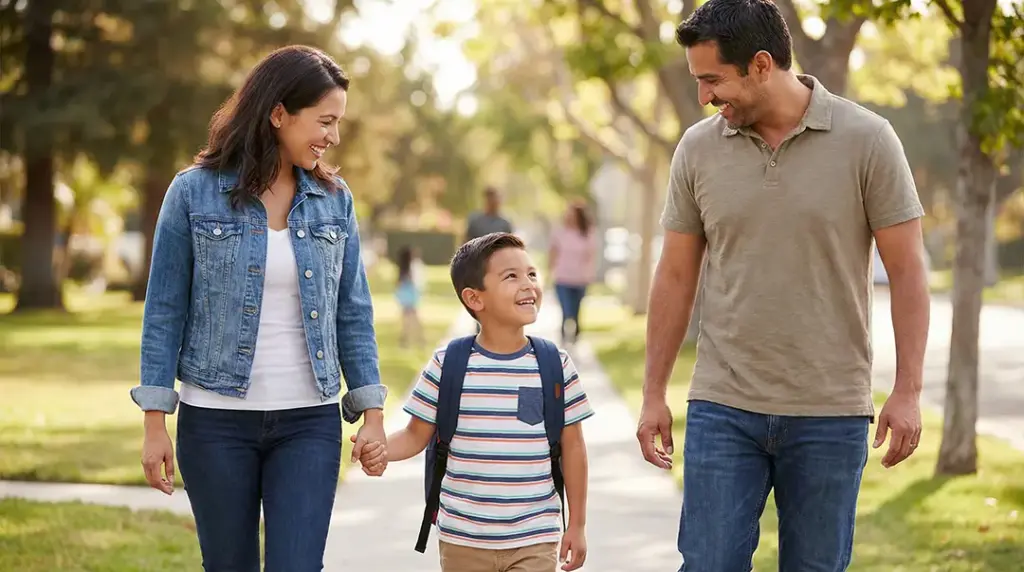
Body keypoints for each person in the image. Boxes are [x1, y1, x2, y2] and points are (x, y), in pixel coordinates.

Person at [635, 1, 930, 571]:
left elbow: (909, 270)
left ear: (762, 65)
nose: (704, 97)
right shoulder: (697, 149)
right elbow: (674, 275)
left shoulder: (868, 140)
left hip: (830, 410)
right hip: (724, 405)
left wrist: (909, 389)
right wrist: (653, 392)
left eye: (712, 80)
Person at [132, 45, 388, 572]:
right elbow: (163, 311)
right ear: (278, 114)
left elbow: (353, 312)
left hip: (308, 422)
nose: (333, 137)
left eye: (337, 122)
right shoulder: (192, 193)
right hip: (215, 423)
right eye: (325, 120)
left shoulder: (334, 201)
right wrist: (155, 423)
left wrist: (372, 414)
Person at [358, 232, 594, 572]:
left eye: (531, 274)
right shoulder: (448, 364)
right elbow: (414, 435)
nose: (528, 284)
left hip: (535, 536)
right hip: (463, 539)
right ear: (475, 298)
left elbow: (573, 447)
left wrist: (578, 524)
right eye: (511, 276)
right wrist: (380, 449)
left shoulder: (554, 365)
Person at [548, 200, 599, 345]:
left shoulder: (587, 233)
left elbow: (591, 255)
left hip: (580, 278)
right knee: (566, 309)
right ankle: (564, 336)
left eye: (572, 213)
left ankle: (576, 334)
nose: (568, 216)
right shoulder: (559, 232)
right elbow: (553, 253)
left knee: (576, 311)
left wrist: (590, 274)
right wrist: (550, 272)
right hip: (562, 277)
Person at [395, 244, 425, 348]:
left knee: (407, 317)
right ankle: (416, 338)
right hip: (410, 294)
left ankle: (407, 339)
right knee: (413, 317)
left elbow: (399, 283)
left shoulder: (403, 268)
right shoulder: (411, 267)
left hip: (405, 294)